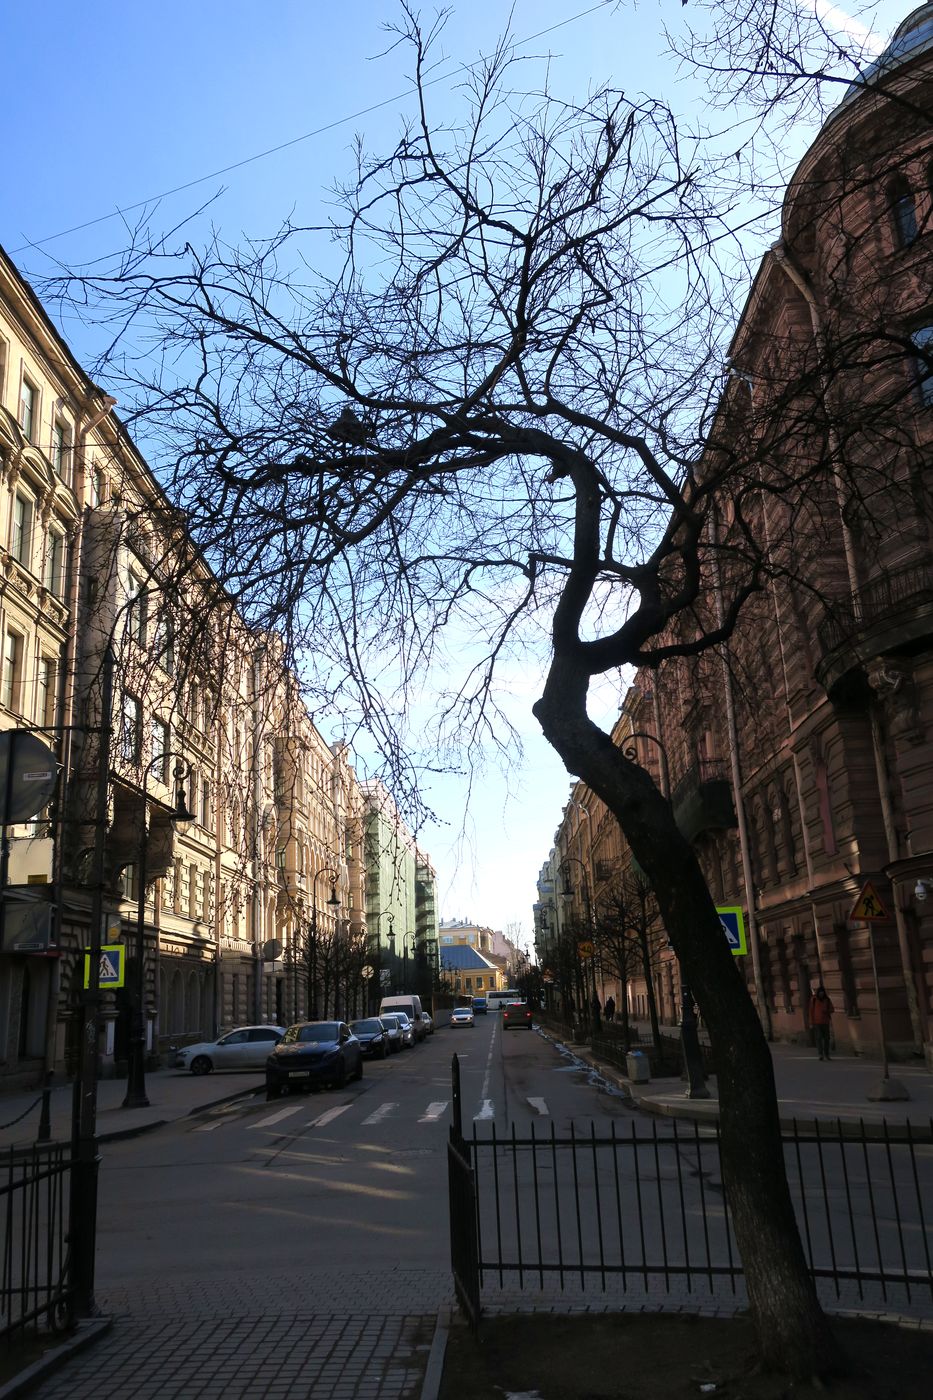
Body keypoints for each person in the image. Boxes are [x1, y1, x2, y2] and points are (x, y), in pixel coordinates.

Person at [809, 985, 835, 1060]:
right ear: (818, 993)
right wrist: (811, 1023)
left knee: (827, 1039)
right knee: (819, 1038)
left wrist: (827, 1011)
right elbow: (811, 1012)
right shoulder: (813, 1000)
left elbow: (832, 1009)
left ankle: (827, 1054)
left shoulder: (827, 1000)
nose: (821, 994)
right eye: (820, 992)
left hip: (826, 1022)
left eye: (822, 992)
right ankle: (820, 1054)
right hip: (817, 1023)